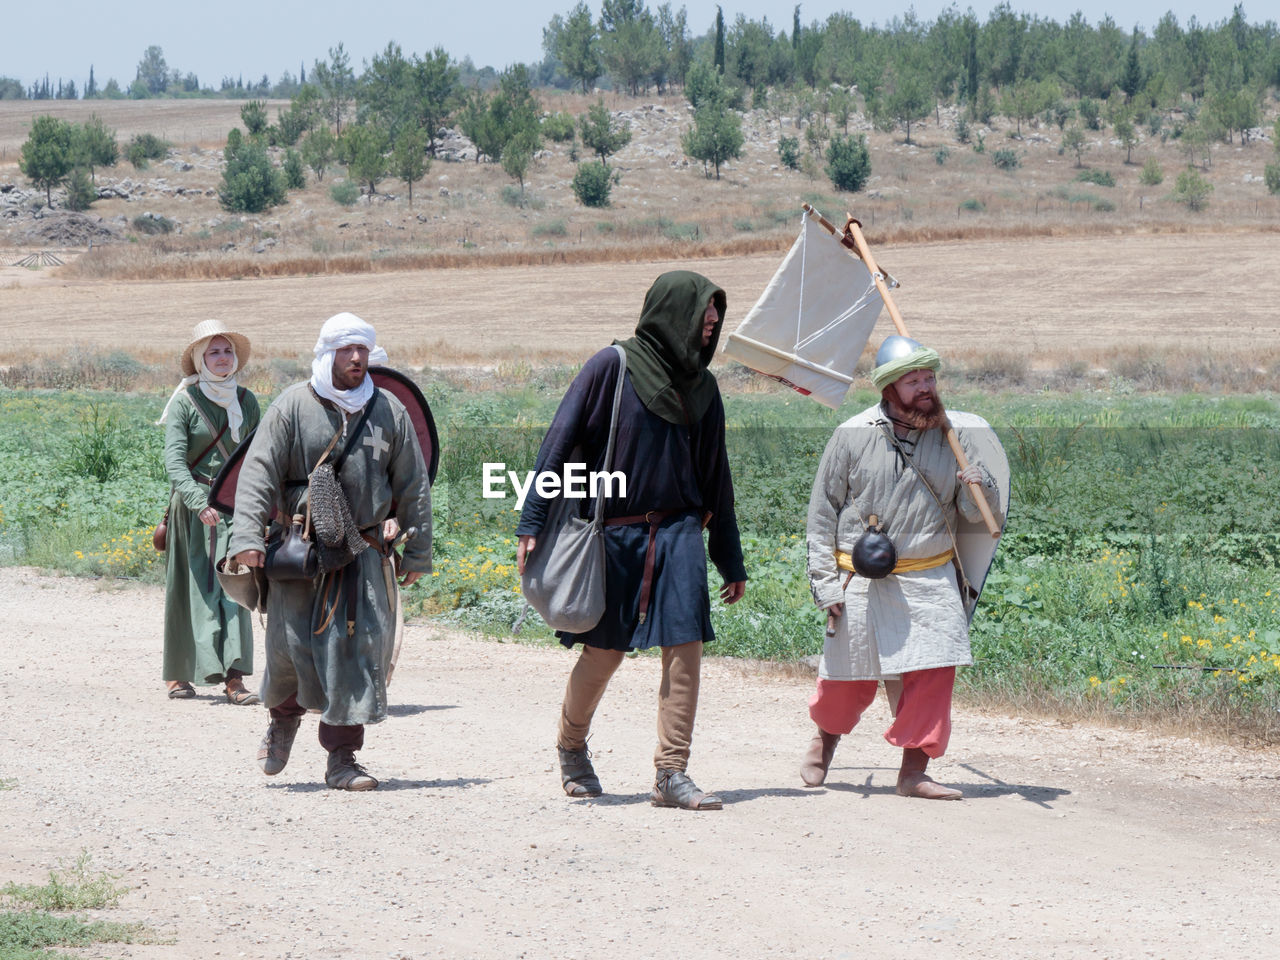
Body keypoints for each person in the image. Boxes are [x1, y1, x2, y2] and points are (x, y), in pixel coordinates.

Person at [517, 271, 747, 811]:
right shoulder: (611, 367)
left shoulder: (704, 389)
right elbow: (560, 440)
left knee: (685, 649)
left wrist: (728, 558)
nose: (708, 336)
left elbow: (718, 476)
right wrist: (532, 520)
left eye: (714, 328)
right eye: (702, 325)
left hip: (681, 532)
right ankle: (571, 748)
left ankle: (672, 772)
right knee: (604, 653)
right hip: (615, 537)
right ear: (672, 317)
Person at [228, 313, 431, 791]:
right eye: (346, 349)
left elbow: (413, 485)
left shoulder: (389, 411)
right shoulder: (292, 406)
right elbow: (258, 472)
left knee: (357, 653)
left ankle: (342, 757)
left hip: (363, 553)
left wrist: (417, 550)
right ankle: (283, 721)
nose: (356, 358)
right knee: (290, 646)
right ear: (327, 353)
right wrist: (248, 539)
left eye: (362, 349)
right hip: (300, 552)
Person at [801, 335, 1002, 800]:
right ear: (889, 388)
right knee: (846, 679)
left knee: (933, 673)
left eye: (929, 378)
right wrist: (825, 583)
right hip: (863, 575)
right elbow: (821, 513)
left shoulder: (954, 438)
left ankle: (914, 772)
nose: (925, 388)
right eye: (913, 381)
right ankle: (825, 740)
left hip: (930, 575)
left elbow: (977, 518)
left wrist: (981, 485)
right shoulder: (853, 433)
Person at [159, 320, 261, 703]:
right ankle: (179, 673)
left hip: (234, 509)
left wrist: (260, 508)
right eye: (214, 351)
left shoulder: (247, 401)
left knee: (237, 587)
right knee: (191, 589)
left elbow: (258, 457)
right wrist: (198, 502)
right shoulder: (185, 402)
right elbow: (174, 463)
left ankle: (234, 678)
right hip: (193, 507)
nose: (222, 358)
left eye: (227, 351)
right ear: (201, 359)